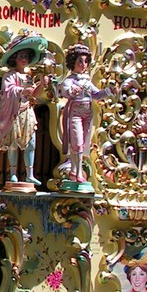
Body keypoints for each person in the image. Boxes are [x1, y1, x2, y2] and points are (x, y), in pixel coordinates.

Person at [0, 32, 49, 184]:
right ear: (15, 58)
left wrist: (42, 84)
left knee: (31, 142)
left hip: (27, 111)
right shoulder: (10, 76)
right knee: (13, 143)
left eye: (26, 56)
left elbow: (35, 95)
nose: (24, 59)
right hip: (14, 112)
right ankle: (13, 172)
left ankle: (30, 173)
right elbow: (7, 91)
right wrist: (21, 91)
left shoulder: (29, 77)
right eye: (21, 56)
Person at [59, 44, 111, 187]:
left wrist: (108, 91)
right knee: (77, 141)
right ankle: (76, 172)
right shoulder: (71, 80)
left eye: (85, 61)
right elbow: (64, 90)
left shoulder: (86, 80)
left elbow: (97, 94)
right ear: (73, 62)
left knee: (84, 142)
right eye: (80, 61)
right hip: (75, 110)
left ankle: (76, 171)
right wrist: (72, 91)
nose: (83, 65)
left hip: (87, 112)